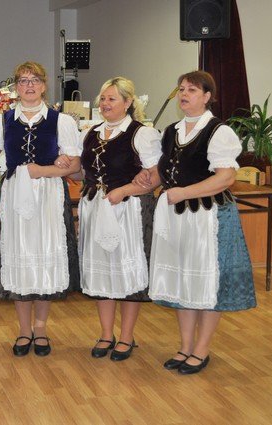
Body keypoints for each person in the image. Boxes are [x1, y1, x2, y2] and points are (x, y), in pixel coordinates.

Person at [136, 70, 257, 374]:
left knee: (207, 283)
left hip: (209, 217)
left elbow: (226, 178)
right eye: (181, 89)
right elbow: (165, 172)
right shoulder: (171, 131)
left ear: (207, 96)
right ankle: (185, 346)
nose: (184, 94)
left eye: (191, 90)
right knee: (183, 281)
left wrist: (183, 192)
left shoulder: (219, 131)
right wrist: (146, 177)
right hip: (177, 217)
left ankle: (201, 350)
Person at [0, 61, 81, 357]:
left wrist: (46, 170)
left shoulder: (61, 121)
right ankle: (24, 328)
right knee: (20, 257)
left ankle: (40, 327)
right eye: (23, 80)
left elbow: (75, 165)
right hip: (15, 195)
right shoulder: (1, 121)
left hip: (48, 196)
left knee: (45, 259)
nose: (29, 85)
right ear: (16, 86)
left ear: (44, 85)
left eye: (35, 80)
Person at [68, 77, 161, 361]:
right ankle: (106, 333)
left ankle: (127, 336)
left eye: (112, 99)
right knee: (103, 273)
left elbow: (156, 176)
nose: (105, 104)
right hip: (96, 208)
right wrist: (66, 167)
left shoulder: (142, 134)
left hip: (127, 211)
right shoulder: (91, 133)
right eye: (103, 99)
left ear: (128, 102)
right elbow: (83, 173)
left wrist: (124, 190)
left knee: (126, 273)